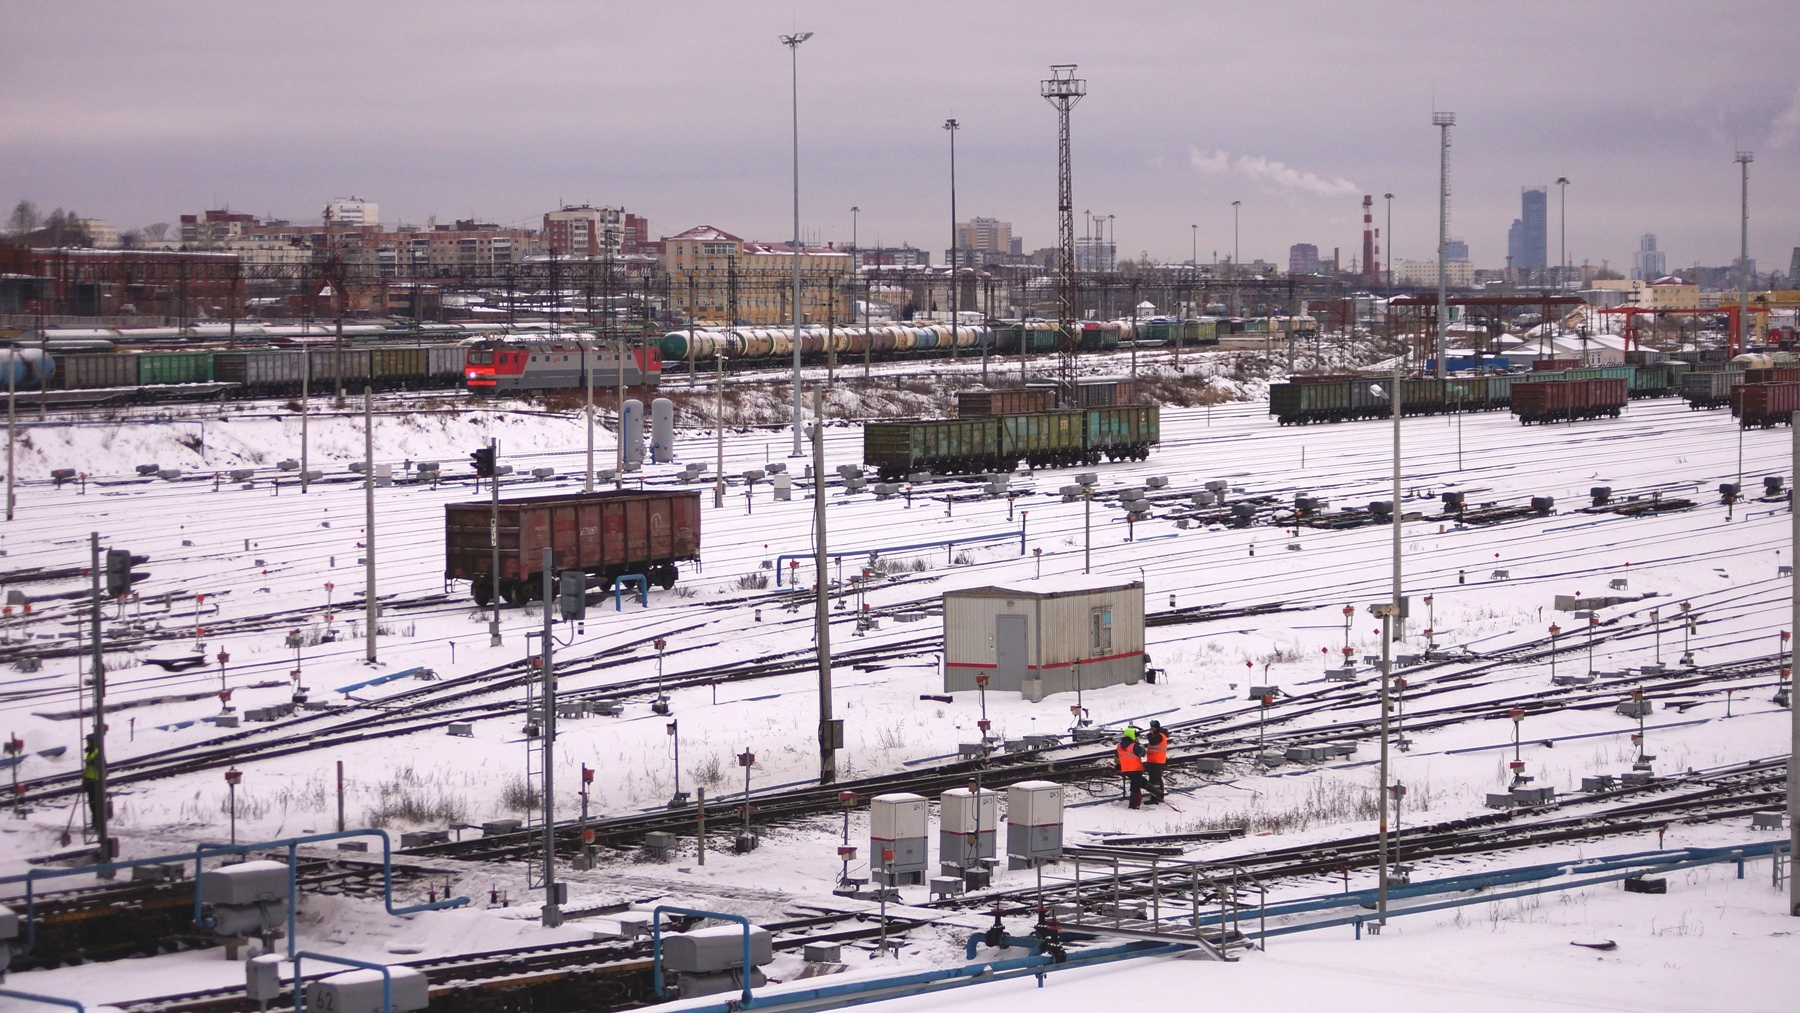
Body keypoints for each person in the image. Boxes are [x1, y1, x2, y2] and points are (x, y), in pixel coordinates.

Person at [1115, 729, 1147, 809]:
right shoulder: (1134, 745)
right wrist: (1139, 744)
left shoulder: (1119, 746)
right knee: (1135, 787)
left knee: (1139, 783)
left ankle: (1157, 794)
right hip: (1136, 769)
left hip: (1126, 770)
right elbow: (1142, 753)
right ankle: (1133, 805)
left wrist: (1119, 765)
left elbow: (1116, 758)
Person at [81, 733, 104, 836]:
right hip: (90, 781)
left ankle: (97, 824)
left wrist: (91, 762)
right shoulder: (90, 752)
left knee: (95, 803)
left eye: (89, 741)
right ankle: (95, 823)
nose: (87, 743)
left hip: (95, 781)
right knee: (92, 803)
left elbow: (101, 765)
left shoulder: (97, 752)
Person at [1143, 720, 1169, 802]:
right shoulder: (1160, 734)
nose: (1150, 728)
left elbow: (1152, 742)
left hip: (1156, 761)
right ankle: (1160, 796)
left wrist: (1150, 734)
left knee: (1154, 780)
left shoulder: (1159, 735)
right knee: (1157, 779)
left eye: (1152, 727)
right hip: (1156, 760)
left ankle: (1155, 798)